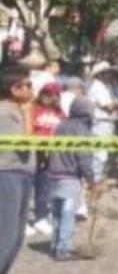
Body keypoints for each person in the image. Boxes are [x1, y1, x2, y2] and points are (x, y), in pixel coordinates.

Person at [47, 96, 101, 260]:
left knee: (56, 214)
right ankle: (63, 249)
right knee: (67, 214)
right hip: (70, 178)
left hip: (52, 175)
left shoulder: (60, 126)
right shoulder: (83, 131)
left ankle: (55, 245)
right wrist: (91, 180)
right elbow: (84, 158)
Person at [0, 66, 35, 274]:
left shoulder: (14, 110)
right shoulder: (6, 113)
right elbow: (24, 144)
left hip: (21, 175)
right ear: (14, 89)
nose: (31, 90)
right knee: (6, 236)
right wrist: (28, 114)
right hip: (8, 175)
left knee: (17, 236)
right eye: (27, 85)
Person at [28, 82, 64, 236]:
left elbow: (64, 127)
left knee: (44, 188)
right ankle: (21, 220)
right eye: (48, 94)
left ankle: (40, 218)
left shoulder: (59, 112)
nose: (51, 97)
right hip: (31, 153)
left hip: (50, 154)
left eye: (54, 94)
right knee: (26, 188)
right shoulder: (32, 109)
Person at [87, 62, 118, 185]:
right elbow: (108, 107)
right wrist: (116, 104)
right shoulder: (98, 86)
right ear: (100, 74)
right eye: (107, 72)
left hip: (107, 122)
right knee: (99, 153)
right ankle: (94, 179)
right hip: (100, 122)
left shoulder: (109, 87)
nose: (110, 75)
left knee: (102, 152)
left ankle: (97, 176)